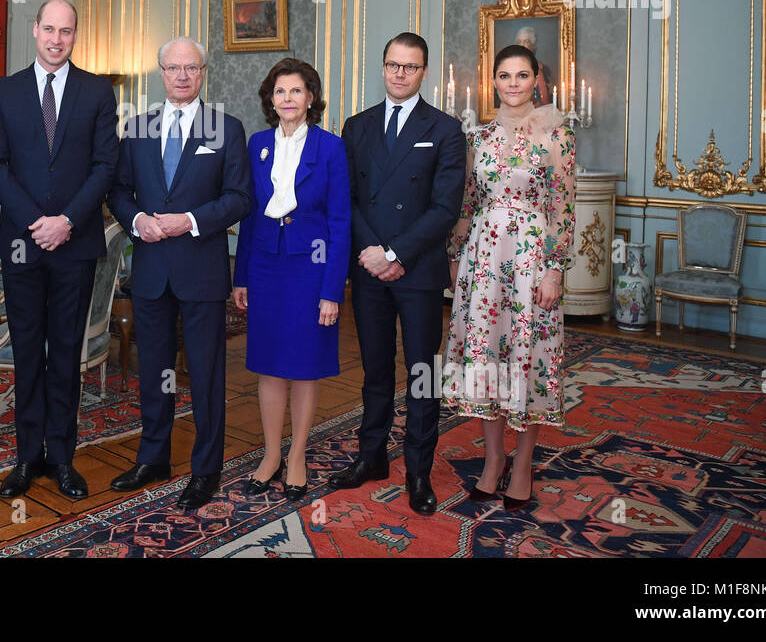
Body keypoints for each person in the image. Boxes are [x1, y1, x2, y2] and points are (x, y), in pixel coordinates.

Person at [0, 0, 118, 501]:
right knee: (26, 354)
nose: (57, 39)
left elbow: (106, 166)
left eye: (67, 31)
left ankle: (62, 458)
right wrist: (36, 222)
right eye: (49, 30)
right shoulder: (5, 91)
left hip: (75, 244)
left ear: (75, 35)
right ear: (34, 30)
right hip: (22, 244)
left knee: (65, 356)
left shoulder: (97, 91)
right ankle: (25, 458)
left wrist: (66, 222)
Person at [106, 37, 250, 510]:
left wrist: (188, 221)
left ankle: (206, 468)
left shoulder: (226, 128)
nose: (182, 76)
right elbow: (120, 191)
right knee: (155, 371)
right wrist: (135, 220)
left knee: (206, 373)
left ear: (204, 72)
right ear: (160, 72)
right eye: (173, 68)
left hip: (201, 270)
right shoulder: (139, 128)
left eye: (191, 68)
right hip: (150, 270)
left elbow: (238, 199)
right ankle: (154, 457)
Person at [327, 32, 466, 515]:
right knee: (375, 369)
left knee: (422, 373)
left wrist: (395, 252)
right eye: (392, 65)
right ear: (382, 68)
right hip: (369, 269)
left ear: (424, 71)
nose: (400, 73)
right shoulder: (356, 126)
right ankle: (372, 457)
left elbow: (446, 206)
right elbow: (346, 198)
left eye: (410, 66)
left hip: (418, 269)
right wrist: (371, 251)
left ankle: (419, 471)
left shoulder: (445, 128)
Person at [443, 43, 575, 510]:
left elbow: (562, 207)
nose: (513, 84)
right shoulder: (478, 136)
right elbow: (467, 203)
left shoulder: (557, 134)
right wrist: (456, 255)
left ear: (536, 78)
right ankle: (493, 460)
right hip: (483, 259)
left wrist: (554, 270)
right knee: (487, 360)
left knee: (528, 360)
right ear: (493, 80)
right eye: (504, 75)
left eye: (522, 75)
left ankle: (523, 466)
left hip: (530, 260)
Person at [231, 58, 350, 501]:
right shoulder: (257, 144)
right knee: (268, 363)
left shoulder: (331, 147)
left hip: (311, 269)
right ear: (271, 99)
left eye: (296, 91)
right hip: (265, 266)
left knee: (303, 366)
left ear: (311, 98)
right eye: (280, 92)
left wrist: (331, 291)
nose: (287, 99)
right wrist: (241, 276)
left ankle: (297, 454)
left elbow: (340, 222)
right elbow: (247, 215)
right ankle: (269, 454)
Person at [514, 25, 554, 107]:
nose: (522, 45)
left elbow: (546, 101)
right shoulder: (507, 69)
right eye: (519, 42)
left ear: (533, 45)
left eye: (526, 41)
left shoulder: (543, 70)